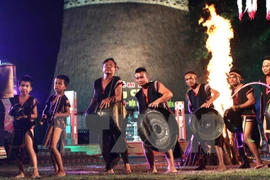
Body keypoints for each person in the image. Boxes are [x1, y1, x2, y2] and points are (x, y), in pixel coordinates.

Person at [86, 58, 131, 174]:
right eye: (106, 65)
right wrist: (89, 109)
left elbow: (119, 97)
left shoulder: (117, 80)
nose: (108, 67)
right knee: (102, 140)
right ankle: (109, 167)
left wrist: (109, 98)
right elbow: (95, 98)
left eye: (111, 65)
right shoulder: (96, 82)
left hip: (116, 114)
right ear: (102, 68)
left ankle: (127, 165)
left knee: (119, 138)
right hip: (101, 114)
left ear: (115, 68)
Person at [134, 67, 178, 173]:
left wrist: (158, 100)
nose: (139, 79)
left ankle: (172, 167)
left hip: (161, 119)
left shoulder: (155, 85)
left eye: (141, 77)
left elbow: (169, 94)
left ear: (147, 77)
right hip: (148, 122)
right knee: (146, 144)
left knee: (165, 143)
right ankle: (152, 168)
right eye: (137, 78)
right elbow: (141, 112)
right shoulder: (138, 95)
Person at [184, 71, 226, 171]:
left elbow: (217, 93)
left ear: (195, 78)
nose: (189, 80)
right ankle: (202, 164)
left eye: (191, 78)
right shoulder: (189, 93)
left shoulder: (204, 87)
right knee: (196, 142)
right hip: (199, 120)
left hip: (211, 116)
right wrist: (193, 113)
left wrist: (209, 102)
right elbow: (190, 107)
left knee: (217, 141)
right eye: (187, 79)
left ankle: (222, 164)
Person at [228, 68, 263, 169]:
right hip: (240, 118)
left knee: (247, 138)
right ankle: (245, 162)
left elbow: (251, 100)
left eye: (234, 77)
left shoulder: (245, 87)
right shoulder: (233, 91)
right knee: (239, 140)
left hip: (248, 116)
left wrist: (239, 107)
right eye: (230, 78)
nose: (231, 79)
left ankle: (259, 162)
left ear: (239, 78)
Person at [9, 75, 39, 178]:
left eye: (27, 86)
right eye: (22, 85)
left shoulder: (33, 100)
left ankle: (35, 171)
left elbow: (35, 115)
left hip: (28, 126)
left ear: (31, 88)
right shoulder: (14, 99)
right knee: (17, 150)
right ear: (18, 86)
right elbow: (10, 112)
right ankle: (21, 172)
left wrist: (25, 116)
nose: (24, 88)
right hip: (17, 127)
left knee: (29, 148)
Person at [41, 75, 71, 177]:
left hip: (59, 123)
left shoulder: (64, 99)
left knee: (53, 146)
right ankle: (56, 170)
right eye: (56, 83)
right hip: (50, 123)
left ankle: (62, 170)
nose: (57, 85)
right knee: (50, 148)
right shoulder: (51, 97)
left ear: (65, 86)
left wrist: (58, 114)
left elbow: (68, 113)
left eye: (59, 83)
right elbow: (46, 110)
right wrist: (44, 116)